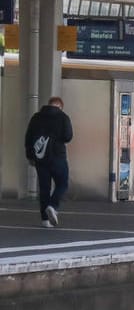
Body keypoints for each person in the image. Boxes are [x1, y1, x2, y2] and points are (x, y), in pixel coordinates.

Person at [24, 97, 73, 228]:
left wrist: (30, 156)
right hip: (58, 156)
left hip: (41, 158)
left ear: (49, 104)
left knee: (44, 188)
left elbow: (28, 137)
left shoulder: (36, 117)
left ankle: (45, 220)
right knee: (62, 183)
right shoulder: (63, 117)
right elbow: (68, 136)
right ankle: (52, 206)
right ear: (60, 106)